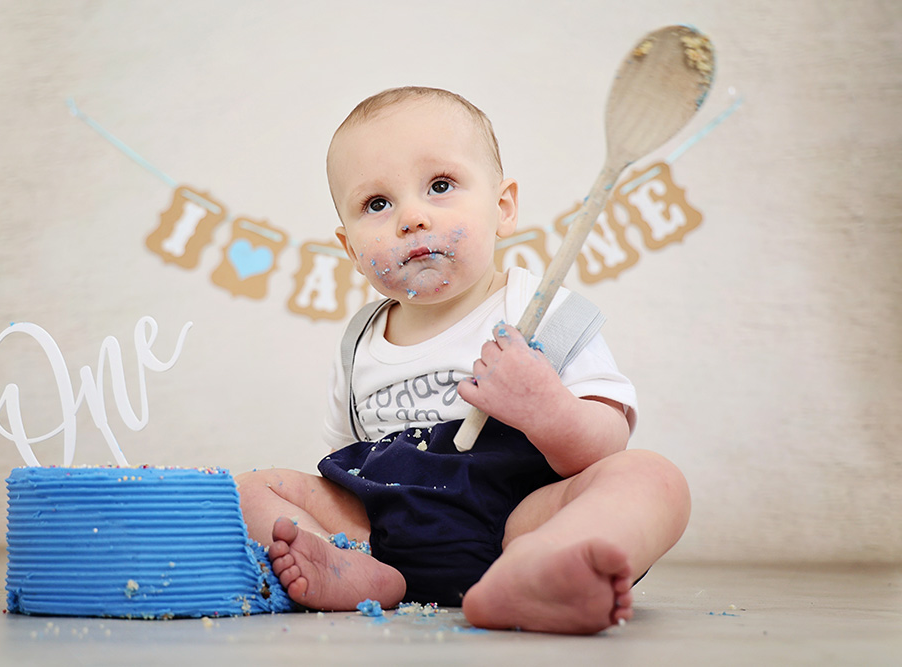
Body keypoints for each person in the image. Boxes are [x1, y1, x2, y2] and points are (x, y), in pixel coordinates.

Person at [234, 86, 690, 635]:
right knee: (249, 487)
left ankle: (540, 567)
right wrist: (339, 527)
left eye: (440, 186)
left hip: (518, 519)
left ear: (502, 208)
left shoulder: (541, 311)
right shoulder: (360, 340)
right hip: (385, 529)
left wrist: (545, 408)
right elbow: (340, 460)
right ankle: (354, 568)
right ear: (351, 249)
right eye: (377, 204)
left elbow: (603, 444)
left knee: (652, 479)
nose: (412, 218)